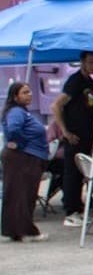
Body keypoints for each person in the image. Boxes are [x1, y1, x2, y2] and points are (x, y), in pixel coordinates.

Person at [51, 51, 93, 227]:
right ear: (82, 62)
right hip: (74, 137)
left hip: (87, 135)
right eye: (90, 62)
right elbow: (56, 105)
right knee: (72, 173)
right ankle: (71, 211)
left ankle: (80, 207)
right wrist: (65, 131)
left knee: (83, 174)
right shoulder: (75, 82)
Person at [3, 82, 50, 242]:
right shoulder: (16, 111)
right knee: (23, 195)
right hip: (23, 158)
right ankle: (28, 231)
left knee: (20, 195)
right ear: (15, 96)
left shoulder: (23, 112)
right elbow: (14, 129)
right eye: (25, 92)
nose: (29, 94)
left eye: (29, 91)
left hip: (27, 157)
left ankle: (16, 231)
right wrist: (22, 144)